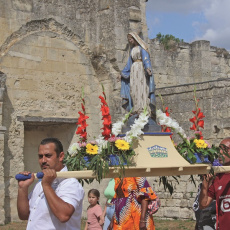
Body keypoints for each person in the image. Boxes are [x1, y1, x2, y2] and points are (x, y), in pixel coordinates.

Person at [17, 137, 85, 230]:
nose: (43, 160)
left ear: (61, 156)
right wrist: (22, 188)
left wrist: (46, 185)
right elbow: (24, 215)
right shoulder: (41, 183)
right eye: (40, 156)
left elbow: (63, 216)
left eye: (48, 156)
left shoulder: (71, 184)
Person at [121, 32, 156, 119]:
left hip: (140, 70)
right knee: (133, 90)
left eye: (130, 39)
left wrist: (147, 68)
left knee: (141, 88)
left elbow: (145, 59)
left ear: (135, 38)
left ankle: (142, 109)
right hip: (133, 71)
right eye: (129, 40)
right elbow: (129, 64)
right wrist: (122, 74)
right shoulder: (132, 50)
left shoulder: (142, 48)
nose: (130, 41)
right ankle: (135, 108)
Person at [199, 137, 230, 230]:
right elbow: (203, 204)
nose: (220, 153)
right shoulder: (217, 178)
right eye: (219, 149)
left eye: (225, 149)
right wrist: (206, 182)